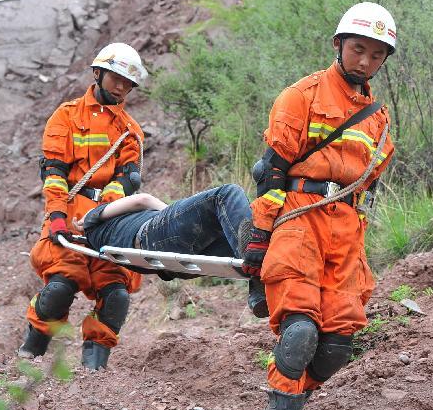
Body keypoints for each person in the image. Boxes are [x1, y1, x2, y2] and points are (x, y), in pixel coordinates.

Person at [241, 2, 397, 410]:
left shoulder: (378, 121)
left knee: (335, 347)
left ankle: (283, 400)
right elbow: (269, 175)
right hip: (297, 217)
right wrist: (259, 239)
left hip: (346, 230)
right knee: (300, 331)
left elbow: (367, 182)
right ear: (338, 46)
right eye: (357, 49)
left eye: (375, 54)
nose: (365, 61)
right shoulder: (301, 96)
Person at [18, 43, 150, 370]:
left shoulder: (130, 130)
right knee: (59, 289)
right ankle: (29, 355)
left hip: (111, 216)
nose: (121, 86)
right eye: (116, 77)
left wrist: (105, 208)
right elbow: (54, 172)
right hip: (70, 211)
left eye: (128, 82)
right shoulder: (66, 115)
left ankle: (94, 373)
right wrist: (58, 216)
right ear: (98, 73)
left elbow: (129, 179)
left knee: (116, 294)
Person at [74, 185, 268, 316]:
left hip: (171, 262)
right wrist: (174, 212)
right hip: (154, 236)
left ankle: (260, 289)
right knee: (227, 194)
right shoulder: (93, 216)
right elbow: (142, 199)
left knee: (245, 238)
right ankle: (259, 287)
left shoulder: (105, 238)